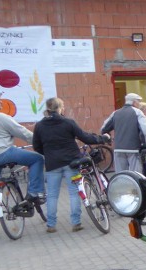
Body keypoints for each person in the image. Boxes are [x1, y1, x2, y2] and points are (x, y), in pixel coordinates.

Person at [32, 97, 108, 233]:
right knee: (74, 193)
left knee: (52, 195)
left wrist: (49, 153)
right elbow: (85, 137)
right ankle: (76, 223)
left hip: (52, 164)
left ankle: (51, 225)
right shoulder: (68, 122)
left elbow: (36, 146)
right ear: (60, 108)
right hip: (71, 163)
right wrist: (103, 138)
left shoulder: (39, 126)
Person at [0, 93, 46, 202]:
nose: (1, 101)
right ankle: (34, 192)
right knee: (37, 159)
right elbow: (23, 133)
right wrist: (42, 143)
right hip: (4, 152)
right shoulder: (1, 117)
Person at [100, 93, 146, 174]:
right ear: (134, 102)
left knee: (121, 174)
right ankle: (134, 187)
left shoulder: (115, 113)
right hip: (133, 149)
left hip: (118, 149)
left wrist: (108, 138)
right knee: (135, 175)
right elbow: (145, 131)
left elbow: (103, 128)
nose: (139, 104)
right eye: (138, 101)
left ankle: (122, 187)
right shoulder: (137, 112)